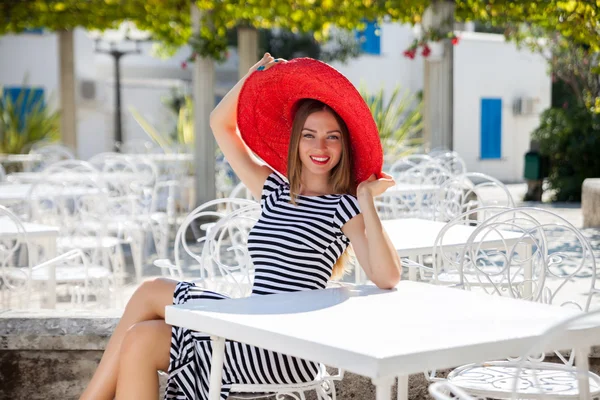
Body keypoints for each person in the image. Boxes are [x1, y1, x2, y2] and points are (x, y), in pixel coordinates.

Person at [80, 54, 401, 400]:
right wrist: (254, 77)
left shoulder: (343, 206)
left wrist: (366, 200)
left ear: (344, 145)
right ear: (296, 141)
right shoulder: (275, 191)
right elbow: (221, 125)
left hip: (288, 346)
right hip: (253, 322)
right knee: (146, 308)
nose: (319, 147)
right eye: (309, 135)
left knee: (143, 336)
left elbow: (387, 277)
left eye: (332, 137)